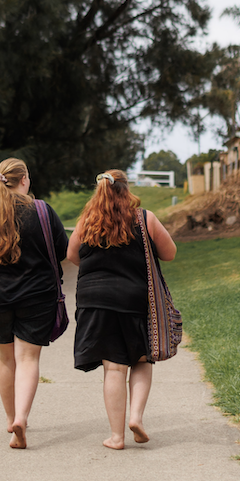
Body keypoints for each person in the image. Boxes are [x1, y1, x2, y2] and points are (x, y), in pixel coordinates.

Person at [67, 169, 177, 450]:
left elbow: (72, 256)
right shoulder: (144, 218)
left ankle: (116, 437)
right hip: (133, 299)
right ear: (127, 190)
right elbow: (170, 252)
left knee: (114, 369)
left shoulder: (87, 221)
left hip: (95, 301)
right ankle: (136, 418)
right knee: (141, 360)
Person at [0, 158, 68, 449]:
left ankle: (11, 418)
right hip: (37, 296)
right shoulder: (42, 211)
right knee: (28, 359)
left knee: (5, 359)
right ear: (24, 180)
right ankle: (21, 419)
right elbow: (61, 249)